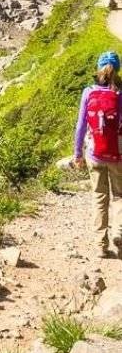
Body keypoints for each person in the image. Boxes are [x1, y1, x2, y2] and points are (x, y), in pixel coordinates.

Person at [73, 51, 122, 257]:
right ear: (117, 69)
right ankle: (119, 232)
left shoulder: (88, 92)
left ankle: (101, 245)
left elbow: (81, 126)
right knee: (119, 196)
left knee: (99, 197)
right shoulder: (120, 94)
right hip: (118, 154)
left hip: (94, 153)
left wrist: (78, 154)